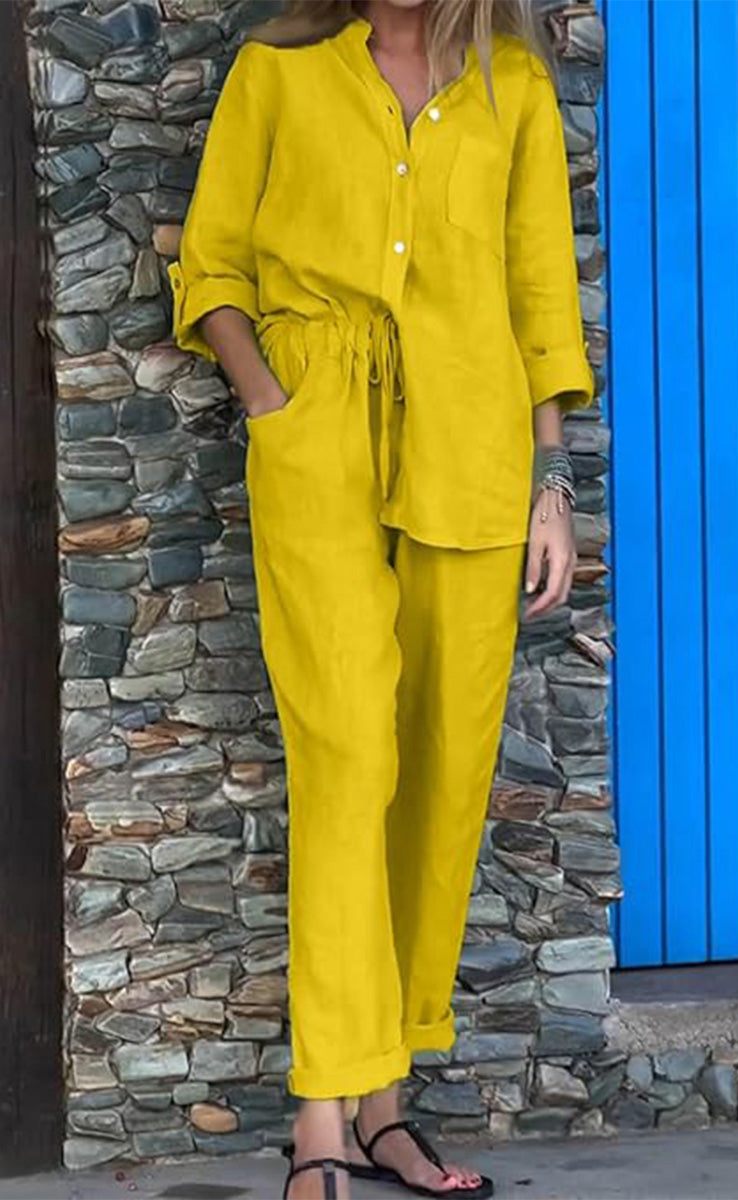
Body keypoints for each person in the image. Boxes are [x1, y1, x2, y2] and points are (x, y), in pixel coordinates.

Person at [168, 0, 595, 1195]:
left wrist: (551, 486)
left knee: (444, 774)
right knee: (347, 756)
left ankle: (384, 1106)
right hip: (318, 445)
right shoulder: (277, 73)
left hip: (472, 449)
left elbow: (538, 294)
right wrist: (270, 400)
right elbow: (212, 262)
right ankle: (321, 1123)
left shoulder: (511, 86)